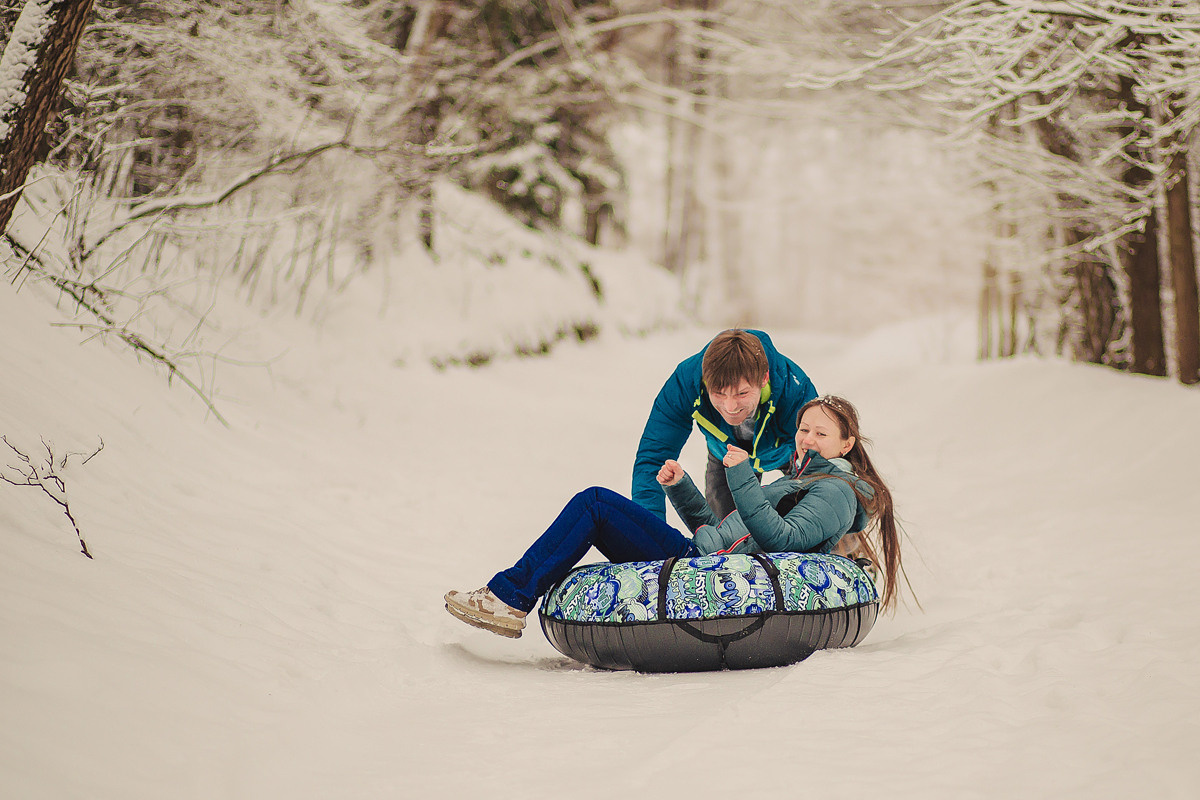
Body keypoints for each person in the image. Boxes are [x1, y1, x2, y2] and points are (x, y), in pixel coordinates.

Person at [445, 395, 906, 640]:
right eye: (803, 429)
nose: (806, 438)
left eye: (821, 433)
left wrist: (743, 474)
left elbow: (783, 540)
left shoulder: (836, 491)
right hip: (701, 556)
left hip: (701, 568)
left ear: (845, 445)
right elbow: (727, 535)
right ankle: (508, 595)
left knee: (595, 504)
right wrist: (681, 487)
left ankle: (507, 597)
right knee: (596, 505)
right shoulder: (796, 480)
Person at [631, 329, 817, 522]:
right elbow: (653, 459)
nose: (730, 407)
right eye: (719, 394)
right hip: (725, 453)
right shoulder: (686, 383)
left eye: (742, 394)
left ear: (764, 379)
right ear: (705, 381)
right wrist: (649, 531)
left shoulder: (795, 390)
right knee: (723, 533)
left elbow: (824, 461)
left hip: (786, 453)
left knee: (813, 513)